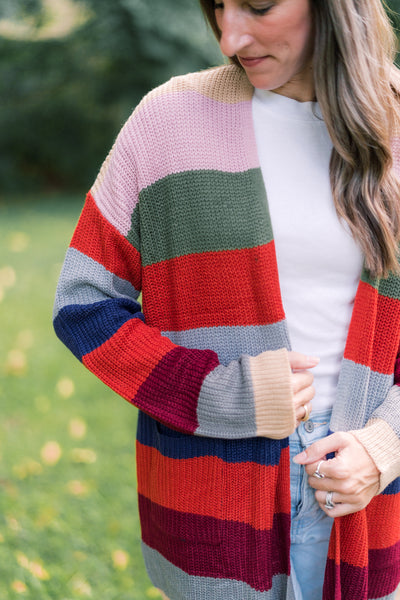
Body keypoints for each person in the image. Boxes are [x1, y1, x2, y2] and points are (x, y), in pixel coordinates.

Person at [53, 0, 400, 598]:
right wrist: (216, 392)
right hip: (210, 487)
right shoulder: (169, 122)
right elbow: (84, 301)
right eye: (218, 7)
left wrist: (387, 442)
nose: (230, 37)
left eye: (259, 6)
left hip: (368, 492)